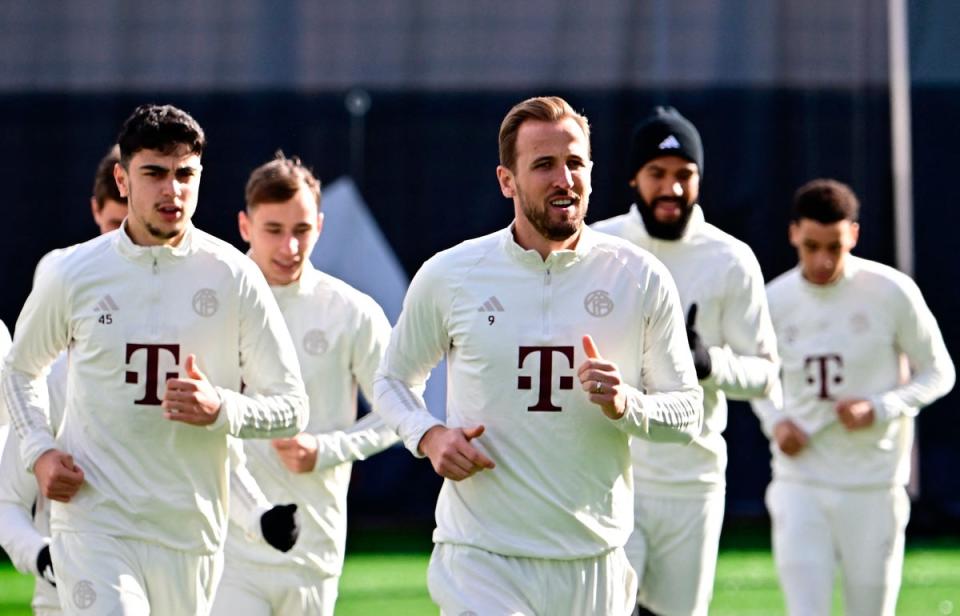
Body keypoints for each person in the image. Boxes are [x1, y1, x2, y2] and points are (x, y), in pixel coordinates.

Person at [372, 96, 703, 616]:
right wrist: (429, 435)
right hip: (482, 558)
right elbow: (392, 380)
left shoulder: (640, 277)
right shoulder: (451, 273)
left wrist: (626, 403)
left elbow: (687, 412)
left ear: (592, 173)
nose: (563, 179)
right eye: (543, 165)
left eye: (575, 163)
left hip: (595, 559)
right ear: (507, 180)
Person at [1, 104, 309, 615]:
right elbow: (20, 368)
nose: (172, 190)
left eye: (185, 174)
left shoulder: (233, 276)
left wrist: (222, 408)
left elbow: (292, 406)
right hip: (95, 522)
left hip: (190, 530)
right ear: (122, 179)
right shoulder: (74, 273)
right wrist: (39, 450)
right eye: (155, 174)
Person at [593, 106, 779, 616]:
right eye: (657, 173)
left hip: (691, 480)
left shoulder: (730, 258)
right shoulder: (596, 245)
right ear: (634, 176)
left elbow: (766, 375)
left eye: (684, 175)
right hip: (609, 475)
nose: (671, 188)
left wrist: (709, 362)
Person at [753, 178, 955, 616]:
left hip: (874, 483)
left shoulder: (891, 291)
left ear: (854, 236)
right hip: (800, 480)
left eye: (835, 247)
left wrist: (880, 408)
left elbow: (940, 372)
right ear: (793, 235)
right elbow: (758, 378)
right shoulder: (773, 300)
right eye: (811, 246)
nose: (823, 260)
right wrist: (776, 422)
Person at [210, 154, 398, 616]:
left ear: (320, 224)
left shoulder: (351, 311)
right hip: (226, 547)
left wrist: (326, 448)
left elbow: (400, 411)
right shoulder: (212, 305)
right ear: (244, 225)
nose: (290, 247)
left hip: (313, 546)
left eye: (302, 231)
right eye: (273, 230)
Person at [0, 144, 126, 615]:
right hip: (64, 595)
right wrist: (45, 556)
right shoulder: (43, 382)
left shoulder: (179, 363)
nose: (125, 244)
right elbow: (7, 498)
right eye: (116, 225)